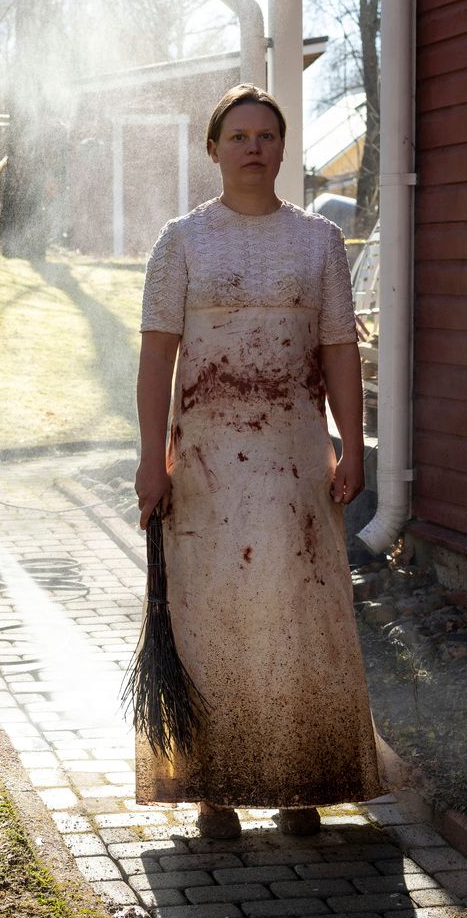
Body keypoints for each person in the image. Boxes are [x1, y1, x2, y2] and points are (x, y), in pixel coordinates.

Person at [133, 84, 381, 839]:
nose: (252, 147)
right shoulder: (181, 241)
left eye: (266, 135)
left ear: (282, 148)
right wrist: (152, 460)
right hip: (205, 458)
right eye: (236, 135)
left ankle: (301, 779)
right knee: (213, 613)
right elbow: (155, 360)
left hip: (293, 457)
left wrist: (347, 440)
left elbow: (340, 349)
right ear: (213, 149)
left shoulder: (318, 243)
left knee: (296, 606)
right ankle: (212, 787)